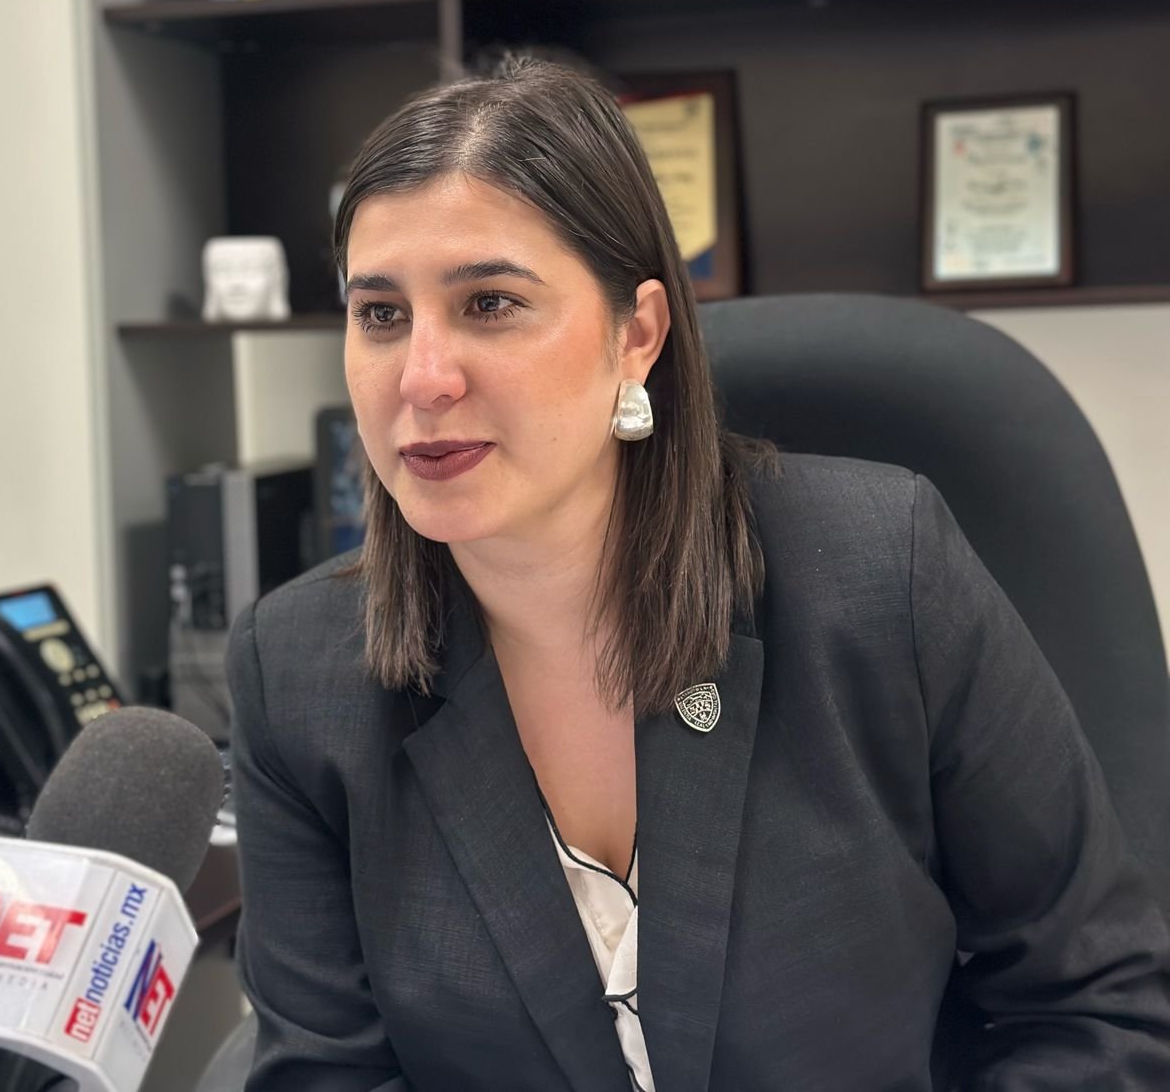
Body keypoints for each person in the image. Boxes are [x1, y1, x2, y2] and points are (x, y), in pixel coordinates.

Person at [224, 56, 1170, 1091]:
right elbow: (324, 1075)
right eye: (380, 314)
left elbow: (1100, 1006)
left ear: (636, 335)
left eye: (489, 303)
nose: (422, 378)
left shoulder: (879, 573)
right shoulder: (298, 673)